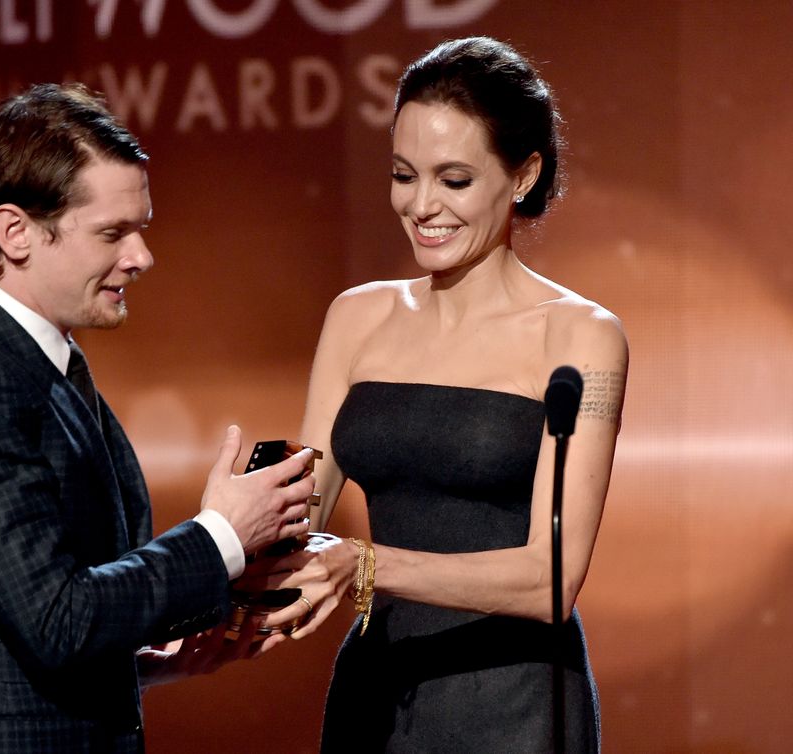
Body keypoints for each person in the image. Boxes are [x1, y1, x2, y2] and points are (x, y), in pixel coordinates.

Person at [0, 82, 315, 754]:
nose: (141, 256)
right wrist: (220, 534)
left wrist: (149, 664)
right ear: (15, 233)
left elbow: (30, 631)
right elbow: (57, 618)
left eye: (142, 228)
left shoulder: (36, 365)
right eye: (112, 233)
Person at [261, 37, 628, 751]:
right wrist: (237, 523)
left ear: (522, 176)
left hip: (513, 706)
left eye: (454, 180)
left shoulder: (583, 336)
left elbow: (551, 583)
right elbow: (301, 513)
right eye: (404, 175)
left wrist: (367, 564)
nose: (421, 205)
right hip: (377, 694)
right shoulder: (357, 315)